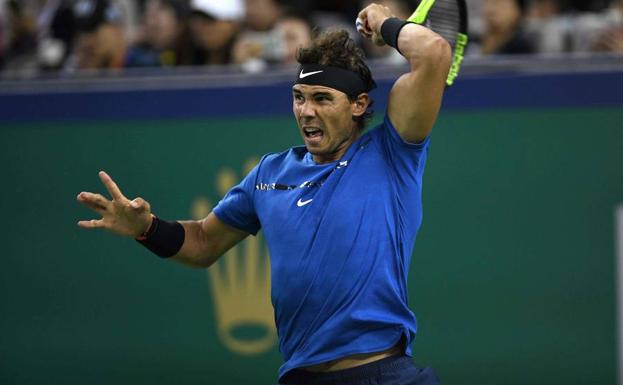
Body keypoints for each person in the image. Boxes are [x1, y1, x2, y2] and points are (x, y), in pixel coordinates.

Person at [77, 3, 450, 384]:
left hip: (382, 375)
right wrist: (147, 228)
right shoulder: (269, 173)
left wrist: (384, 24)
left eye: (322, 98)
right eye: (299, 96)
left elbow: (434, 52)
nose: (305, 111)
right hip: (300, 375)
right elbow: (204, 242)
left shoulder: (392, 152)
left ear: (359, 105)